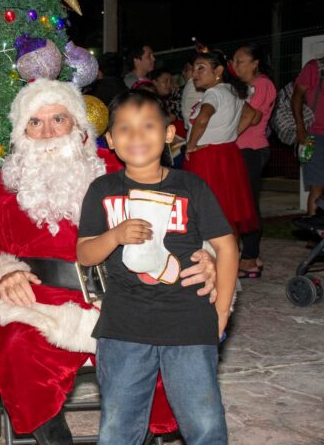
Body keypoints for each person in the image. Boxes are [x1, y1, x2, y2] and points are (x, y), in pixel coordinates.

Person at [0, 79, 219, 443]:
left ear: (78, 125)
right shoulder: (6, 186)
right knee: (17, 343)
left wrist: (204, 256)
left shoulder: (118, 167)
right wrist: (3, 275)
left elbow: (180, 213)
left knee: (162, 345)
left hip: (124, 292)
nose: (48, 132)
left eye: (59, 119)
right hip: (42, 302)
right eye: (35, 122)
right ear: (22, 132)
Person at [77, 90, 238, 445]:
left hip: (189, 321)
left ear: (168, 134)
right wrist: (115, 235)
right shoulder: (101, 190)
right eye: (125, 129)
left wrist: (222, 312)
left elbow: (227, 247)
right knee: (119, 426)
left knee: (205, 424)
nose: (136, 137)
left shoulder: (191, 186)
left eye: (148, 126)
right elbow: (86, 254)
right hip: (123, 325)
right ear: (111, 140)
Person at [185, 50, 261, 235]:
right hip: (227, 155)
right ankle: (230, 260)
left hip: (206, 158)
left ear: (218, 70)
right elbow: (253, 115)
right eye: (194, 69)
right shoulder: (231, 91)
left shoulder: (213, 93)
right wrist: (231, 134)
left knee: (206, 212)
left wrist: (191, 145)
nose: (195, 74)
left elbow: (203, 118)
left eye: (201, 69)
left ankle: (215, 259)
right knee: (227, 214)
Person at [232, 44, 276, 278]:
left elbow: (252, 116)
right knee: (242, 202)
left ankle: (249, 258)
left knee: (248, 203)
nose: (235, 66)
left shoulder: (263, 85)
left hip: (252, 149)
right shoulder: (246, 87)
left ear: (254, 63)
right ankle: (251, 255)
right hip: (242, 149)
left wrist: (228, 135)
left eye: (240, 61)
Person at [292, 57, 324, 216]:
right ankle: (313, 235)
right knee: (317, 186)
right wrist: (300, 127)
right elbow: (297, 96)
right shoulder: (315, 67)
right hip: (317, 136)